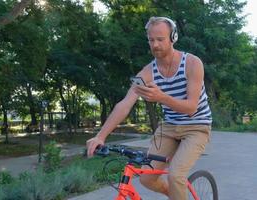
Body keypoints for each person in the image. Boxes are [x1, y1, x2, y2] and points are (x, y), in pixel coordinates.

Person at [86, 16, 212, 200]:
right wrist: (100, 136)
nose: (155, 45)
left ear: (173, 37)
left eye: (160, 39)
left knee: (175, 175)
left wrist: (162, 97)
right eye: (151, 40)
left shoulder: (192, 63)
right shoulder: (147, 72)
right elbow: (124, 104)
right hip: (169, 127)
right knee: (146, 178)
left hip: (197, 126)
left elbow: (191, 107)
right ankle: (177, 195)